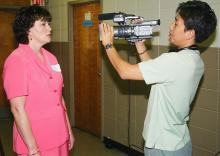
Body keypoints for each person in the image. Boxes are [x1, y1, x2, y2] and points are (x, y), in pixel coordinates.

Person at [100, 0, 217, 156]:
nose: (170, 26)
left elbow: (124, 72)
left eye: (176, 24)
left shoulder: (175, 61)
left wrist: (108, 44)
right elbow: (154, 71)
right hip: (178, 142)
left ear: (190, 33)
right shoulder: (194, 60)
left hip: (164, 147)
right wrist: (139, 43)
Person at [2, 5, 74, 156]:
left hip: (59, 133)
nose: (49, 28)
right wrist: (33, 149)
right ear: (28, 30)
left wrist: (68, 129)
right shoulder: (17, 61)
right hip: (36, 140)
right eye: (43, 24)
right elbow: (17, 108)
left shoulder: (51, 57)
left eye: (49, 23)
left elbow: (59, 97)